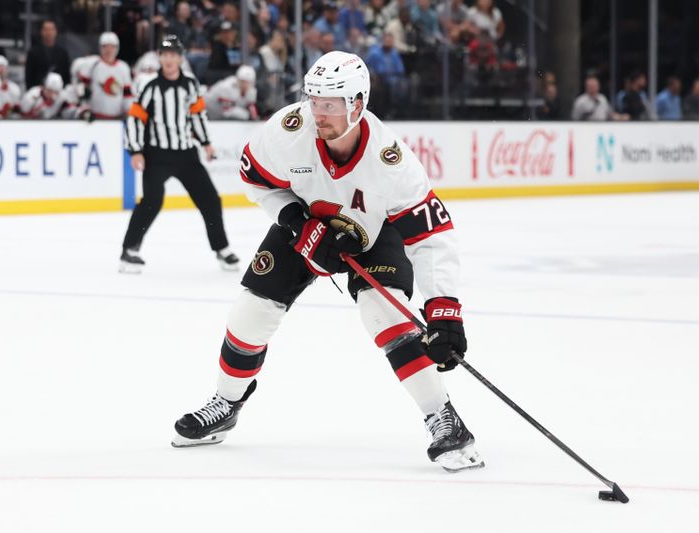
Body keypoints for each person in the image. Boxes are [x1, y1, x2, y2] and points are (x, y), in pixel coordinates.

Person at [171, 51, 483, 473]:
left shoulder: (391, 161)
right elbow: (255, 181)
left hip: (375, 233)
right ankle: (226, 403)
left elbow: (431, 235)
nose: (318, 112)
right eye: (314, 100)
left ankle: (444, 420)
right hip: (306, 226)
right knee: (250, 313)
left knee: (384, 315)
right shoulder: (288, 130)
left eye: (330, 103)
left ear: (358, 103)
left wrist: (443, 310)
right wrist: (294, 221)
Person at [121, 35, 240, 274]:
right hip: (157, 155)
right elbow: (136, 119)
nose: (169, 59)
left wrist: (206, 142)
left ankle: (222, 249)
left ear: (180, 58)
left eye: (174, 55)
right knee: (152, 202)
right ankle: (129, 250)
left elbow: (198, 115)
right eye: (165, 55)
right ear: (160, 57)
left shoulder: (190, 84)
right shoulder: (150, 86)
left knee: (210, 200)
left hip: (186, 155)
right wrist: (135, 150)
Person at [71, 32, 133, 119]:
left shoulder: (123, 68)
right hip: (95, 119)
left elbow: (128, 95)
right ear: (100, 48)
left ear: (117, 48)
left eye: (112, 46)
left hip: (117, 120)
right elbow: (79, 89)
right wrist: (84, 109)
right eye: (105, 46)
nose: (109, 50)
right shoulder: (91, 64)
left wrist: (130, 114)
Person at [25, 20, 71, 89]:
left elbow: (67, 76)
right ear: (41, 32)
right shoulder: (33, 52)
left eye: (51, 30)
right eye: (46, 29)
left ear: (55, 32)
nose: (48, 32)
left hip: (59, 92)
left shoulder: (63, 53)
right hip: (38, 92)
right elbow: (29, 76)